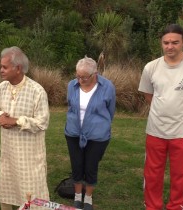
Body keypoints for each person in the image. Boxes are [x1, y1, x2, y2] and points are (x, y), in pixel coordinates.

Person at [0, 46, 50, 210]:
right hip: (8, 151)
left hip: (29, 155)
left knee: (31, 191)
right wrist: (1, 117)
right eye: (1, 66)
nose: (1, 70)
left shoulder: (37, 90)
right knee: (7, 185)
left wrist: (16, 121)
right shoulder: (2, 87)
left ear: (18, 68)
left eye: (4, 67)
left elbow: (42, 122)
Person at [139, 23, 183, 210]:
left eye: (175, 42)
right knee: (152, 173)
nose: (170, 46)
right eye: (166, 42)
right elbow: (148, 95)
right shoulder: (151, 67)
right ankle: (152, 206)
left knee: (181, 174)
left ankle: (176, 206)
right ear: (161, 43)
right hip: (155, 129)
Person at [64, 56, 115, 210]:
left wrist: (100, 125)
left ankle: (88, 198)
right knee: (77, 165)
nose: (80, 80)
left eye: (84, 77)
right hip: (73, 133)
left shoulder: (107, 86)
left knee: (91, 167)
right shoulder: (71, 85)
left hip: (97, 135)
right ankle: (78, 196)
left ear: (95, 74)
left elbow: (110, 110)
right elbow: (70, 106)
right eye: (78, 76)